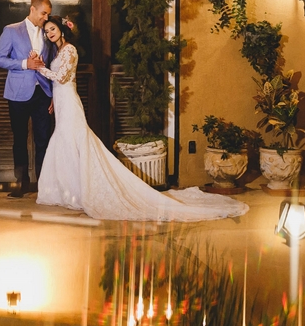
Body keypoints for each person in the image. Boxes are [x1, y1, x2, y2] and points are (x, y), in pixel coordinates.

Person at [27, 15, 249, 222]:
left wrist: (39, 67)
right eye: (47, 31)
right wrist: (54, 98)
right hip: (62, 103)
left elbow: (62, 77)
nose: (50, 34)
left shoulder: (69, 50)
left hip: (71, 105)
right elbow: (59, 83)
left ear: (62, 30)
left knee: (75, 143)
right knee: (65, 144)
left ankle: (83, 192)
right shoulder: (57, 53)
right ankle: (69, 193)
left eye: (52, 29)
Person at [0, 0, 55, 197]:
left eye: (48, 14)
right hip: (18, 93)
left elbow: (54, 64)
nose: (46, 18)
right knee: (19, 139)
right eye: (43, 13)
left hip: (43, 92)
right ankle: (21, 184)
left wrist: (54, 95)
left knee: (43, 140)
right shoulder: (11, 30)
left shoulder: (48, 33)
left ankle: (43, 185)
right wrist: (24, 64)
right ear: (32, 9)